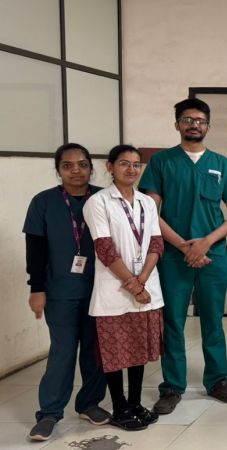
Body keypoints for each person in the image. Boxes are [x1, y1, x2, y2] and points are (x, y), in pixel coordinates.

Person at [140, 98, 227, 414]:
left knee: (213, 321)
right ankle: (172, 387)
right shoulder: (162, 162)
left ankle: (217, 381)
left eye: (200, 120)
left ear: (208, 126)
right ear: (177, 124)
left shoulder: (221, 164)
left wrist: (205, 243)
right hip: (175, 257)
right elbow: (151, 211)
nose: (194, 125)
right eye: (187, 120)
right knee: (173, 321)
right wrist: (185, 247)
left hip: (214, 257)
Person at [23, 143, 109, 441]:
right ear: (58, 170)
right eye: (67, 165)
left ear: (91, 168)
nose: (76, 171)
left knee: (95, 350)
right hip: (59, 289)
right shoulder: (43, 202)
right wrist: (37, 288)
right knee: (62, 351)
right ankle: (49, 413)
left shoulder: (104, 198)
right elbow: (35, 248)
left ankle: (89, 403)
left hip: (100, 289)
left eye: (82, 164)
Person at [84, 145, 164, 431]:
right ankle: (119, 408)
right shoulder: (98, 202)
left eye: (136, 164)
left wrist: (142, 280)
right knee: (116, 353)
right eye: (123, 163)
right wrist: (133, 284)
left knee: (138, 350)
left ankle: (135, 403)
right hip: (114, 291)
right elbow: (104, 248)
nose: (131, 169)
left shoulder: (147, 202)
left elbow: (156, 243)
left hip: (145, 286)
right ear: (110, 167)